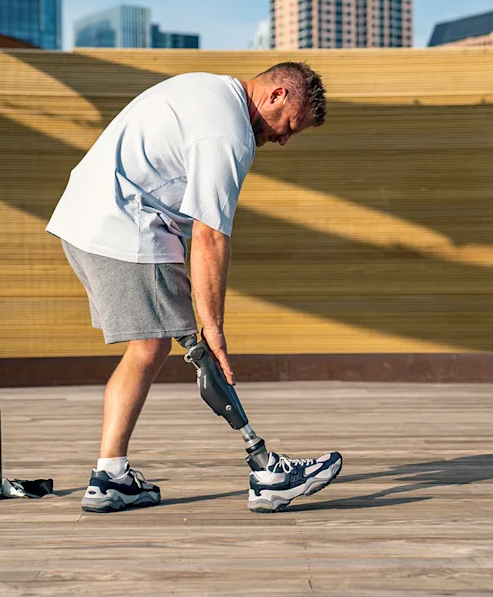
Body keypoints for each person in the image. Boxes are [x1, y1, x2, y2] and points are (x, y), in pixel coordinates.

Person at [46, 62, 342, 513]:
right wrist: (215, 329)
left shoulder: (212, 90)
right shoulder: (229, 134)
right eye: (288, 127)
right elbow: (210, 236)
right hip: (124, 220)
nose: (282, 140)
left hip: (92, 214)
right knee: (177, 348)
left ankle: (112, 477)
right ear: (277, 95)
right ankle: (263, 473)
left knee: (150, 346)